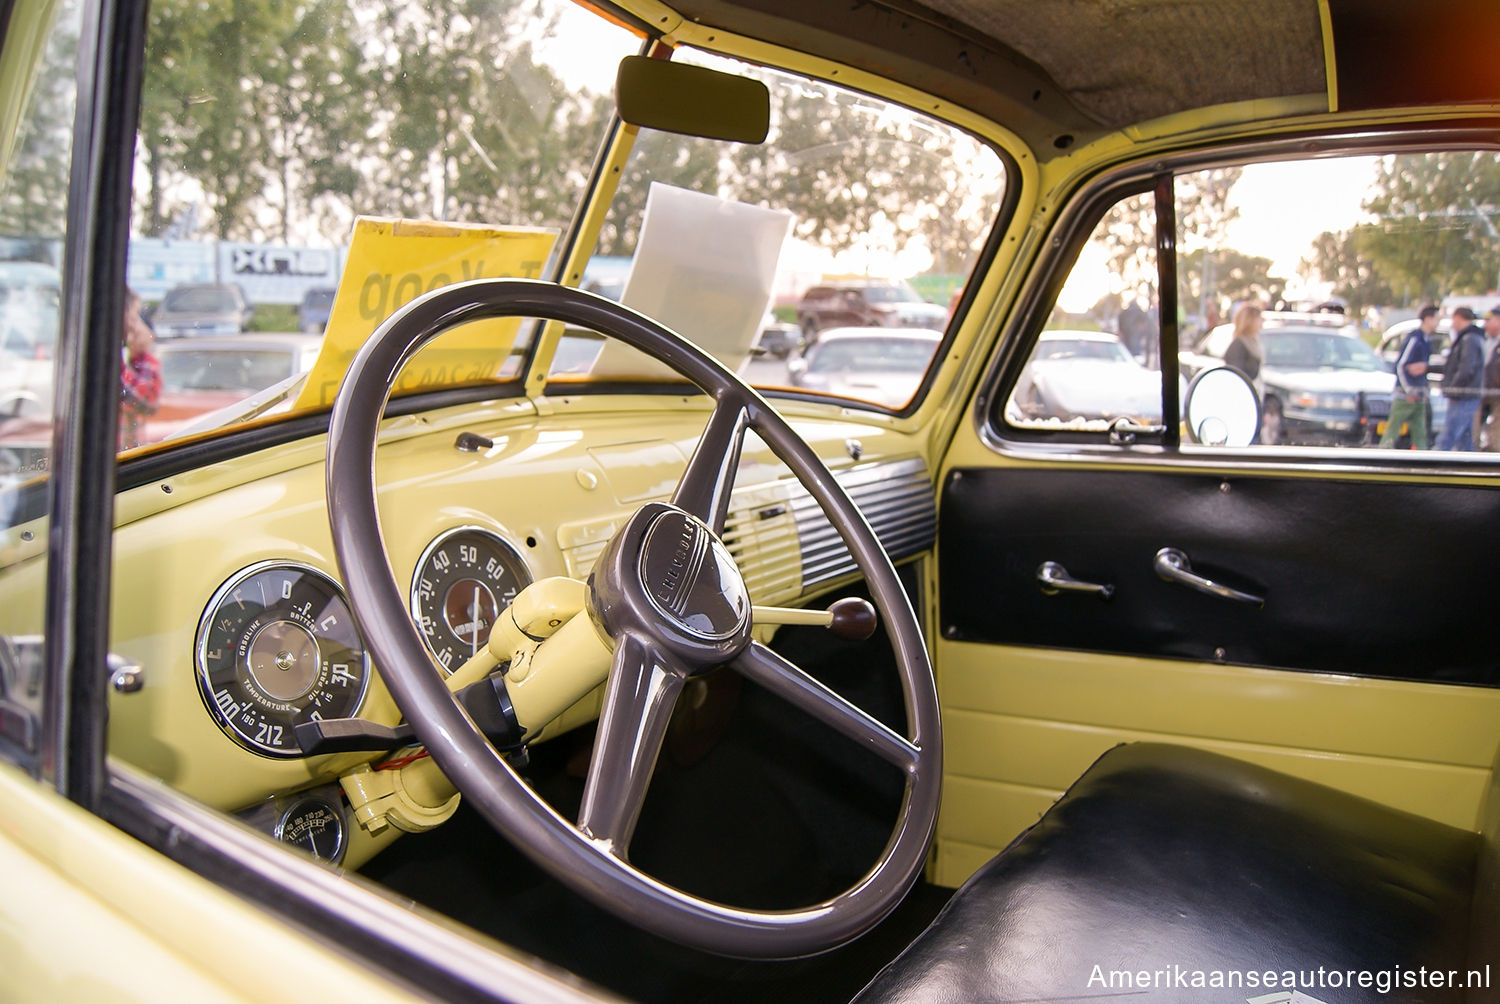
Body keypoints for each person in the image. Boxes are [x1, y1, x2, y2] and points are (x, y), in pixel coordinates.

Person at [1379, 304, 1436, 450]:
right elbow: (1401, 365)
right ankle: (1382, 455)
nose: (1438, 322)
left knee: (1419, 431)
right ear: (1428, 319)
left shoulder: (1427, 339)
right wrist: (1409, 390)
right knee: (1393, 429)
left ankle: (1421, 459)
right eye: (1436, 319)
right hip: (1406, 395)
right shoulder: (1415, 339)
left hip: (1419, 394)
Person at [1437, 305, 1484, 451]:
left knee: (1449, 436)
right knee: (1464, 439)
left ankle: (1435, 467)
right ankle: (1470, 468)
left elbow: (1466, 369)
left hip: (1463, 395)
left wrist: (1453, 389)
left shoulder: (1468, 339)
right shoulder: (1472, 337)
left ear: (1458, 318)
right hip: (1468, 394)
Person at [119, 286, 160, 450]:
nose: (135, 324)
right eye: (134, 315)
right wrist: (144, 354)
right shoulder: (109, 359)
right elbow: (147, 400)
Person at [1223, 301, 1263, 386]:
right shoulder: (1238, 345)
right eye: (1258, 319)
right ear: (1249, 321)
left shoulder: (1253, 342)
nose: (1261, 322)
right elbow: (1236, 376)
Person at [1478, 307, 1500, 451]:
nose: (1485, 324)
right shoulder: (1483, 338)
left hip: (1497, 393)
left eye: (1488, 320)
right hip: (1480, 391)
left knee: (1496, 428)